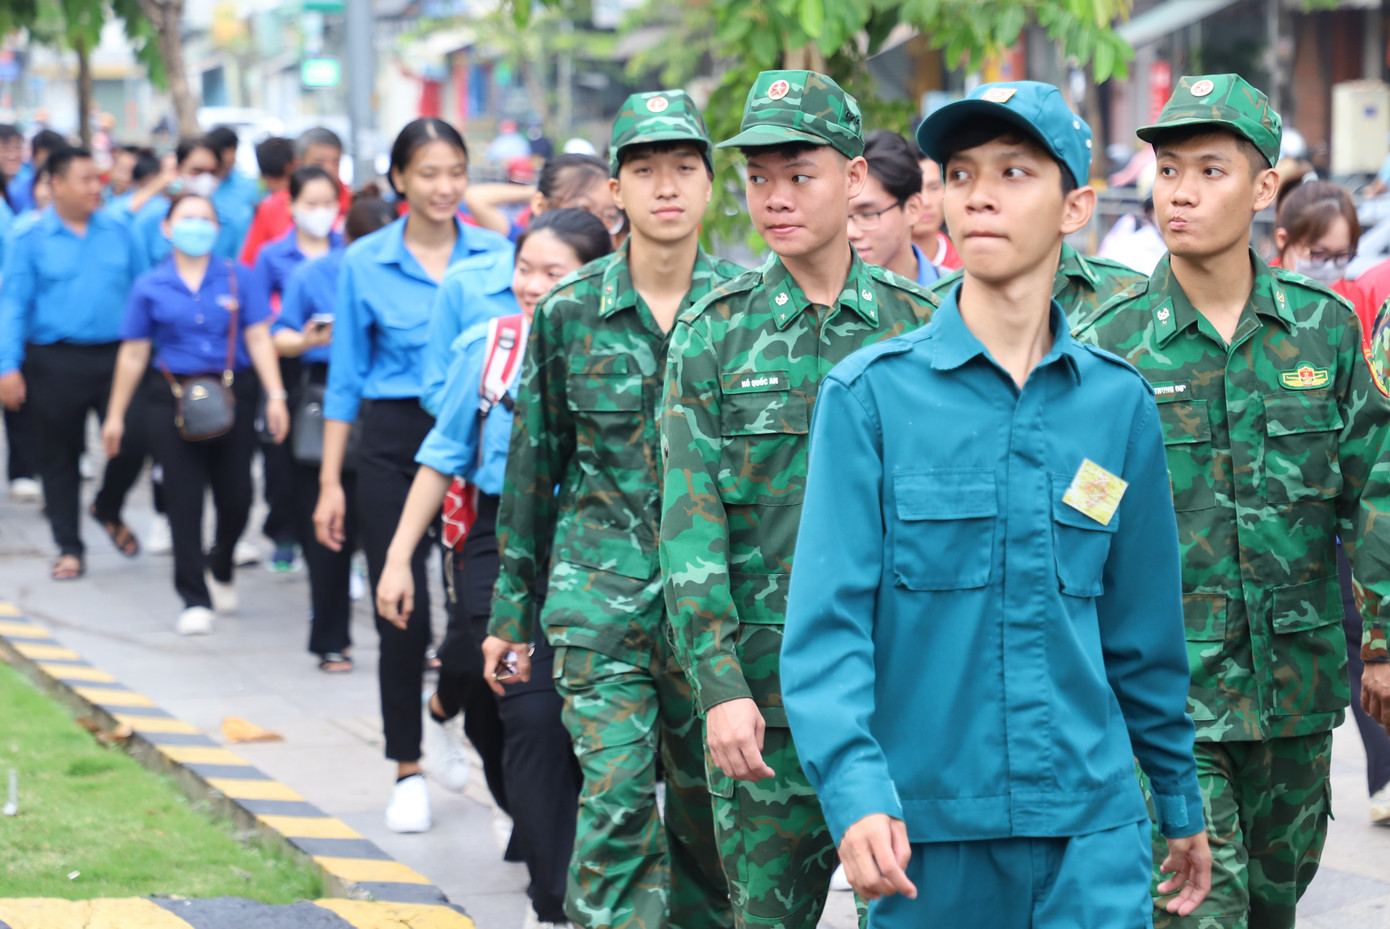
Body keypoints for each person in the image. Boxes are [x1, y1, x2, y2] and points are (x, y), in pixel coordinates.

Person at [781, 79, 1212, 929]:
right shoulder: (870, 398)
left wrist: (1176, 794)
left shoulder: (1117, 405)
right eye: (964, 171)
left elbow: (1144, 631)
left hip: (1094, 832)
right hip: (930, 840)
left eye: (1016, 172)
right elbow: (827, 631)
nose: (979, 193)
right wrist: (857, 792)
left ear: (1075, 205)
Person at [1074, 73, 1390, 928]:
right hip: (1167, 696)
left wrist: (1384, 644)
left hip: (1297, 684)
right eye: (1169, 168)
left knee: (1270, 907)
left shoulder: (1323, 330)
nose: (1180, 190)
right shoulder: (1112, 346)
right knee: (1199, 909)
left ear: (1263, 189)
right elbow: (1083, 513)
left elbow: (1373, 490)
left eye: (1210, 170)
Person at [659, 70, 937, 929]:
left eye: (799, 174)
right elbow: (687, 527)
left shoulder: (923, 327)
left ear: (855, 178)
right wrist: (719, 687)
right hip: (764, 711)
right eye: (758, 178)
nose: (774, 198)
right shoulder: (714, 330)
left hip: (903, 701)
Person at [482, 90, 744, 929]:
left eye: (682, 169)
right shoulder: (568, 312)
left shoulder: (749, 312)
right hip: (601, 600)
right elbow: (534, 468)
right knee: (617, 806)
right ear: (616, 194)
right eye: (644, 170)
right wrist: (509, 613)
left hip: (719, 615)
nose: (665, 187)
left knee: (711, 832)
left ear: (710, 186)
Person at [378, 208, 606, 927]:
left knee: (584, 722)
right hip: (499, 540)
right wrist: (397, 558)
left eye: (554, 272)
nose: (534, 286)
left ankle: (569, 858)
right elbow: (442, 455)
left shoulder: (631, 347)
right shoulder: (488, 346)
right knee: (528, 711)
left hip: (603, 542)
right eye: (525, 269)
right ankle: (554, 901)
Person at [313, 118, 510, 834]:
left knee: (474, 624)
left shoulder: (501, 255)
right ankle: (406, 766)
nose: (443, 186)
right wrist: (332, 480)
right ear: (398, 178)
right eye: (427, 172)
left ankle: (445, 713)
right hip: (394, 441)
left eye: (455, 170)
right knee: (403, 615)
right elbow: (343, 382)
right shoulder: (364, 261)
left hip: (482, 444)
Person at [104, 193, 289, 635]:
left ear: (218, 228)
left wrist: (276, 395)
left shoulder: (239, 278)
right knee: (183, 500)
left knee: (238, 496)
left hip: (233, 395)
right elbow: (133, 354)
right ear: (166, 228)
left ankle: (221, 559)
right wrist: (115, 415)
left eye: (205, 218)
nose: (196, 226)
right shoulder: (150, 284)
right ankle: (193, 597)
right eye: (187, 218)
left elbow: (260, 338)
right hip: (169, 398)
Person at [0, 147, 149, 580]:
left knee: (135, 437)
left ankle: (108, 504)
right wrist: (7, 365)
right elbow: (13, 304)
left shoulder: (122, 230)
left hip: (118, 357)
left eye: (96, 178)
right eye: (83, 179)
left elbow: (143, 291)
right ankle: (69, 547)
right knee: (59, 455)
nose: (94, 187)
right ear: (55, 184)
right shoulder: (29, 237)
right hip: (53, 359)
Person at [275, 194, 397, 671]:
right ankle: (331, 639)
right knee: (327, 530)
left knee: (390, 530)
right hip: (327, 401)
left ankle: (407, 634)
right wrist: (309, 338)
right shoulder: (315, 274)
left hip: (388, 406)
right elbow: (280, 335)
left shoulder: (411, 274)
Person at [249, 165, 345, 572]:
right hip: (290, 369)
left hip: (340, 371)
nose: (320, 212)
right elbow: (260, 325)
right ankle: (284, 534)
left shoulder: (352, 251)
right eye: (312, 203)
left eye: (328, 203)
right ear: (291, 206)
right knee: (283, 458)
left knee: (337, 459)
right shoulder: (272, 256)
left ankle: (338, 538)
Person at [1269, 180, 1372, 337]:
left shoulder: (1355, 303)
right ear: (1283, 240)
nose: (1330, 266)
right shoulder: (1260, 298)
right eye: (1318, 253)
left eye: (1342, 255)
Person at [241, 128, 351, 265]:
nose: (328, 170)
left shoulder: (355, 204)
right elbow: (249, 264)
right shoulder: (271, 208)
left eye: (335, 162)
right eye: (319, 163)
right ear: (298, 163)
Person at [132, 137, 248, 265]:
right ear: (178, 169)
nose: (206, 178)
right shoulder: (150, 220)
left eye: (213, 172)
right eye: (197, 171)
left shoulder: (228, 223)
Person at [465, 152, 621, 244]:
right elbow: (475, 197)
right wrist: (539, 191)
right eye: (582, 209)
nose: (596, 223)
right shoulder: (523, 241)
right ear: (540, 206)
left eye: (609, 215)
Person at [846, 129, 935, 285]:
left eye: (867, 214)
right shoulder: (823, 302)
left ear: (912, 208)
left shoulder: (957, 298)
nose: (850, 232)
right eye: (842, 216)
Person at [911, 148, 959, 271]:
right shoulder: (874, 268)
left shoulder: (965, 271)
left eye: (934, 188)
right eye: (915, 189)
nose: (926, 202)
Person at [207, 125, 262, 214]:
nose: (228, 157)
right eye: (223, 152)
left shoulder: (250, 186)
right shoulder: (202, 184)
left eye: (233, 150)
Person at [9, 129, 65, 214]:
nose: (47, 169)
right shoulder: (16, 192)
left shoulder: (72, 190)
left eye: (53, 163)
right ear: (33, 158)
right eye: (43, 162)